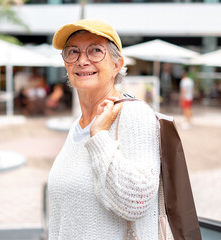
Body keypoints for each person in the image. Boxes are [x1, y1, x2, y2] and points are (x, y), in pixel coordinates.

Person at [48, 19, 161, 239]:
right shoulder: (77, 126)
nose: (82, 60)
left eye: (95, 51)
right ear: (65, 64)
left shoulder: (135, 116)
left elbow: (136, 202)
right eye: (73, 52)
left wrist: (99, 136)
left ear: (117, 65)